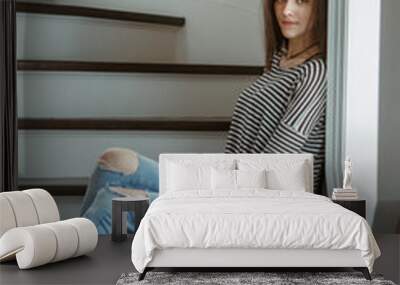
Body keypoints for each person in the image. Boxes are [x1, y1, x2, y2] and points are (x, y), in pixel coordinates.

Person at [81, 0, 327, 234]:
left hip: (252, 201)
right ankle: (72, 242)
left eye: (302, 1)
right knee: (114, 161)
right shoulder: (279, 61)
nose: (287, 10)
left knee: (110, 204)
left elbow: (275, 164)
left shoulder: (314, 73)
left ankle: (75, 267)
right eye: (280, 1)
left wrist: (205, 188)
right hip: (228, 185)